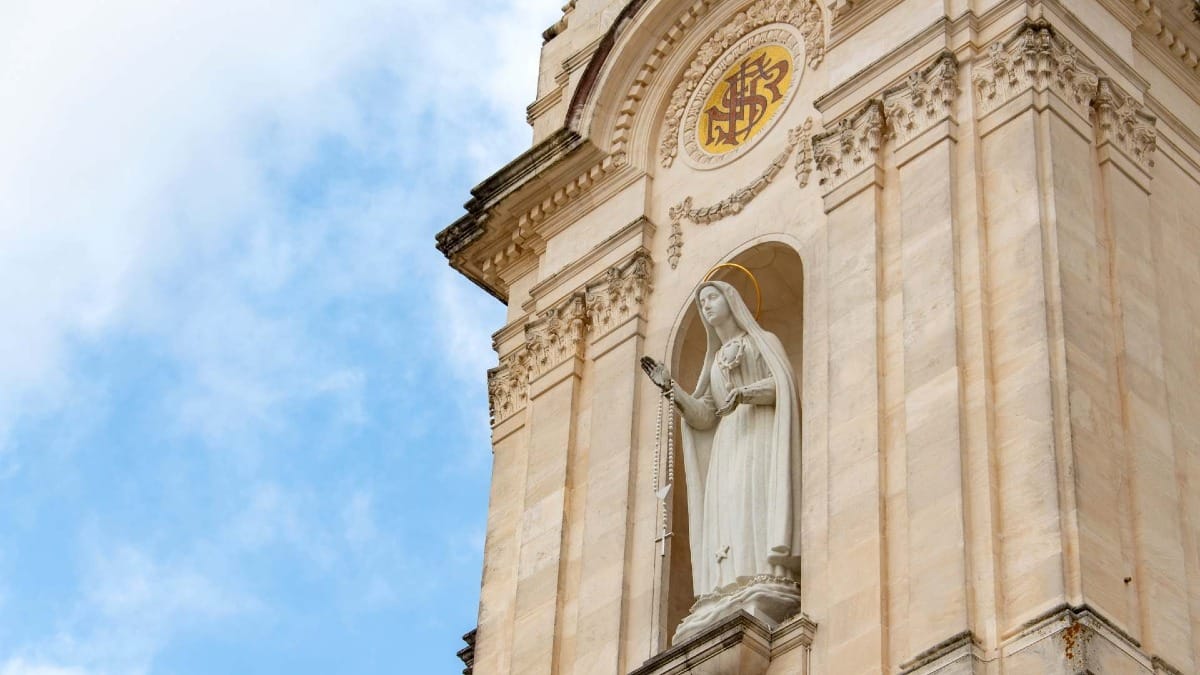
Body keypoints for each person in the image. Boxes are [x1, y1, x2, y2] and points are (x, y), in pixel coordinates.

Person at [641, 280, 802, 640]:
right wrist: (672, 390)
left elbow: (783, 385)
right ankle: (729, 586)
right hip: (728, 442)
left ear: (731, 301)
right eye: (702, 303)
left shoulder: (763, 342)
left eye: (712, 298)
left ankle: (765, 574)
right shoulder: (713, 362)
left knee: (753, 499)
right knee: (730, 508)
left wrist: (745, 394)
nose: (707, 306)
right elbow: (704, 416)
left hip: (760, 435)